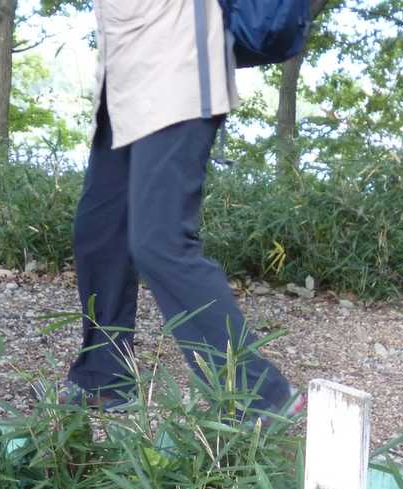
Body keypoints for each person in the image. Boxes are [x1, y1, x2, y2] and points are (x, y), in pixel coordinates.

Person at [66, 0, 303, 423]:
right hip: (121, 76)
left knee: (159, 242)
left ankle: (258, 395)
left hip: (180, 63)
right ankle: (105, 377)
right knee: (99, 233)